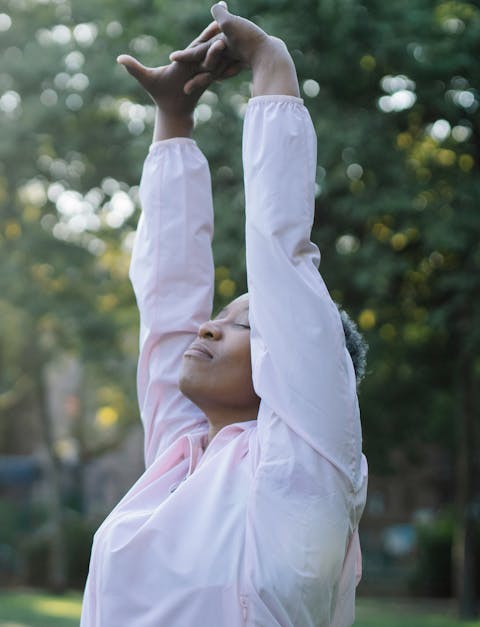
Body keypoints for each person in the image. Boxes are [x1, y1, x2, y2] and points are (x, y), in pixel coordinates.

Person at [80, 3, 369, 626]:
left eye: (245, 326)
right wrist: (173, 120)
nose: (208, 327)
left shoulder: (304, 463)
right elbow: (167, 298)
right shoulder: (180, 457)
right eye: (221, 316)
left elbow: (280, 257)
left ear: (290, 369)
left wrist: (272, 65)